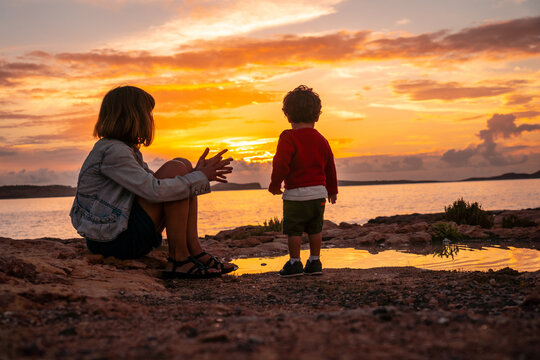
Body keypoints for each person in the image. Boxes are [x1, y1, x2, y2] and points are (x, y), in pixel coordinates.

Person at [70, 85, 237, 279]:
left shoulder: (124, 149)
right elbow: (154, 191)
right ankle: (179, 259)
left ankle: (193, 250)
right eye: (148, 114)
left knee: (181, 165)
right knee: (177, 170)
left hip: (116, 234)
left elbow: (151, 184)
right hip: (112, 241)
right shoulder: (113, 151)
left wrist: (196, 173)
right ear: (135, 116)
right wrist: (199, 177)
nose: (151, 120)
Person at [268, 85, 338, 277]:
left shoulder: (288, 138)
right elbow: (329, 166)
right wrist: (332, 190)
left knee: (295, 230)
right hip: (319, 194)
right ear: (317, 116)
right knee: (315, 229)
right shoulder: (322, 139)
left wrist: (275, 185)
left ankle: (295, 262)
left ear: (288, 115)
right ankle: (315, 261)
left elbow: (280, 164)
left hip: (295, 195)